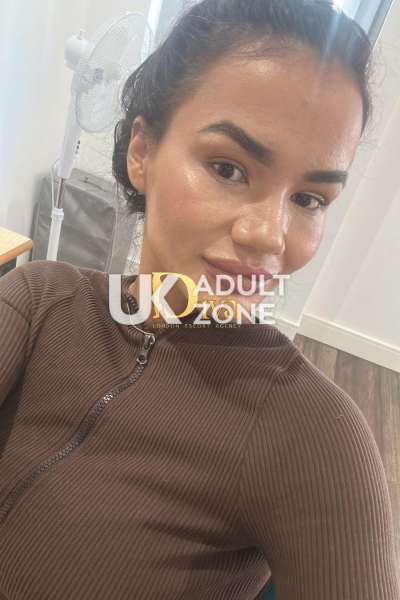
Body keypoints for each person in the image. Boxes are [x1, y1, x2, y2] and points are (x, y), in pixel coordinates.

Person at [0, 0, 399, 598]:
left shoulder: (315, 437)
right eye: (228, 168)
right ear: (142, 152)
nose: (269, 236)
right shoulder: (40, 300)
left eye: (309, 199)